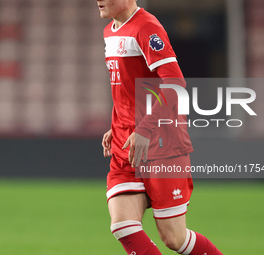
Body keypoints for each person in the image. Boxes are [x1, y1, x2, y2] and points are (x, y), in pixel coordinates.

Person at [97, 0, 223, 254]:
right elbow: (125, 88)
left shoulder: (146, 28)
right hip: (127, 143)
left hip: (161, 144)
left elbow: (175, 83)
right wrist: (117, 123)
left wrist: (144, 128)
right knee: (123, 225)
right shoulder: (110, 31)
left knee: (174, 239)